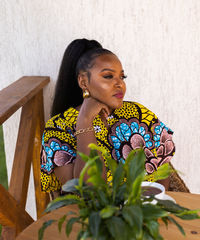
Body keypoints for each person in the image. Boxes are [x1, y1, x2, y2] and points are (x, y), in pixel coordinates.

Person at [40, 38, 175, 195]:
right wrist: (85, 120)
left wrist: (156, 206)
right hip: (89, 219)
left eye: (122, 77)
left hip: (144, 214)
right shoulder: (58, 128)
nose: (119, 84)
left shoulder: (138, 114)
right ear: (83, 82)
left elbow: (163, 173)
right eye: (108, 76)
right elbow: (90, 192)